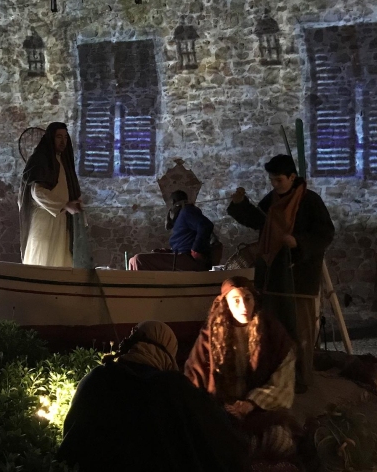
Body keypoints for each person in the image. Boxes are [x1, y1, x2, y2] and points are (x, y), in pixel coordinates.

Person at [58, 320, 248, 472]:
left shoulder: (97, 378)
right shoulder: (175, 389)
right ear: (168, 353)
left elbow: (72, 439)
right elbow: (216, 438)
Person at [227, 154, 334, 391]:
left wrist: (298, 242)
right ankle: (278, 380)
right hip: (274, 275)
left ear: (292, 177)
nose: (275, 185)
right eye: (272, 181)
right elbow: (259, 221)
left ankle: (301, 381)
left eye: (279, 180)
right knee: (274, 330)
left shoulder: (309, 201)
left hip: (299, 277)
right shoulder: (273, 200)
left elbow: (325, 233)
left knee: (300, 333)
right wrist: (240, 205)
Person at [184, 277, 299, 462]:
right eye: (236, 300)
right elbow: (193, 378)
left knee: (280, 441)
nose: (243, 306)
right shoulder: (209, 335)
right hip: (220, 410)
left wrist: (250, 404)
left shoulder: (272, 332)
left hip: (259, 410)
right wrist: (219, 408)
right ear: (226, 304)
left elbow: (283, 379)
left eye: (247, 298)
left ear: (255, 300)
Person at [18, 122, 82, 267]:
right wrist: (64, 205)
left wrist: (75, 205)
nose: (63, 141)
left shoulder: (64, 161)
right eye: (59, 137)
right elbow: (37, 192)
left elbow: (70, 189)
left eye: (65, 137)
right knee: (43, 261)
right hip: (44, 220)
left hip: (61, 220)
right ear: (51, 138)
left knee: (61, 261)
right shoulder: (40, 160)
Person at [129, 190, 215, 271]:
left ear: (173, 202)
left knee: (139, 260)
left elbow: (206, 225)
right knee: (132, 261)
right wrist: (168, 251)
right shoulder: (181, 216)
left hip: (188, 258)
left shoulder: (187, 211)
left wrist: (196, 249)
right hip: (181, 256)